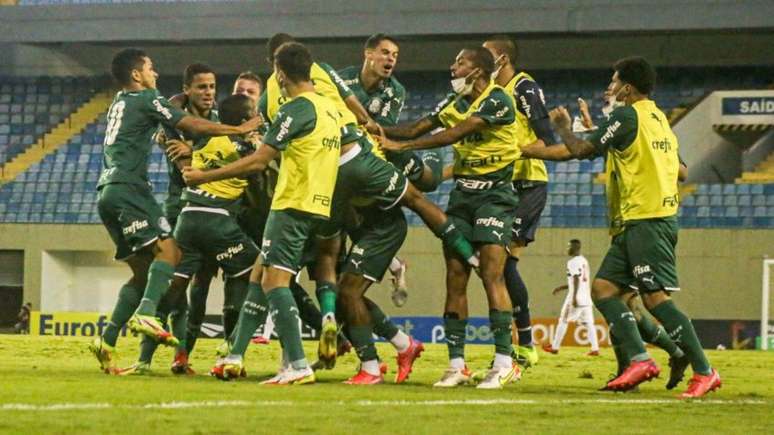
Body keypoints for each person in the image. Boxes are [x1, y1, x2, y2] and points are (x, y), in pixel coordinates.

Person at [522, 56, 720, 398]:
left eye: (613, 82)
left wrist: (563, 127)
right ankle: (640, 360)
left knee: (655, 300)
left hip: (647, 219)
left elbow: (582, 150)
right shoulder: (659, 120)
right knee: (604, 290)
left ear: (627, 88)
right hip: (637, 221)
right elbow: (682, 172)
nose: (609, 88)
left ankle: (705, 370)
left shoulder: (627, 115)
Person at [87, 48, 261, 374]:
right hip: (139, 192)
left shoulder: (120, 102)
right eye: (151, 68)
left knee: (143, 276)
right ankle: (148, 318)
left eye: (212, 87)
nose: (155, 73)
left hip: (107, 190)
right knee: (170, 253)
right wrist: (239, 131)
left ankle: (108, 339)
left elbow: (181, 118)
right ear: (137, 75)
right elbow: (184, 122)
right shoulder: (149, 99)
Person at [184, 42, 342, 385]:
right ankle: (235, 355)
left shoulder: (295, 109)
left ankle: (297, 364)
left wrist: (203, 176)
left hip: (292, 203)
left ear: (281, 73)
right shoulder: (330, 107)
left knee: (275, 281)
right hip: (318, 203)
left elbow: (258, 161)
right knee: (259, 274)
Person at [380, 47, 521, 389]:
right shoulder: (453, 101)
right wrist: (373, 128)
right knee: (456, 276)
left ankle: (505, 361)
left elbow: (455, 133)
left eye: (460, 62)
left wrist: (402, 149)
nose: (452, 67)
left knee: (491, 273)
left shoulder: (497, 99)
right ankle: (457, 365)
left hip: (495, 196)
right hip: (462, 195)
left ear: (479, 71)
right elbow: (417, 127)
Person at [483, 35, 557, 368]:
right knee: (494, 264)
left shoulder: (524, 88)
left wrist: (516, 151)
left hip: (527, 182)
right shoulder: (491, 92)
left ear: (500, 59)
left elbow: (548, 139)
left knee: (504, 263)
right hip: (503, 183)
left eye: (485, 56)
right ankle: (520, 344)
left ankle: (525, 344)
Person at [543, 239, 599, 356]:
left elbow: (576, 279)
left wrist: (574, 298)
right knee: (589, 323)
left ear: (575, 247)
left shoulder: (573, 262)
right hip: (586, 298)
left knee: (563, 320)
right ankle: (595, 349)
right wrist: (562, 287)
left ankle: (555, 347)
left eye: (569, 246)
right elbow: (579, 280)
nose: (567, 248)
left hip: (576, 298)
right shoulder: (584, 261)